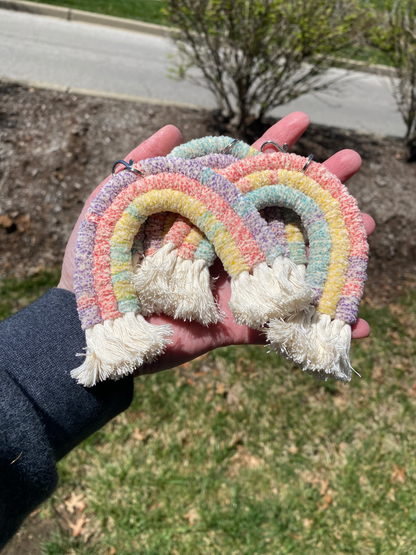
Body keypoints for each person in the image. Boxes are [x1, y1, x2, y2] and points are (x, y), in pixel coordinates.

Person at [0, 112, 375, 548]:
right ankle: (222, 282)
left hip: (233, 219)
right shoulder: (152, 191)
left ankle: (287, 302)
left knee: (314, 216)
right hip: (162, 244)